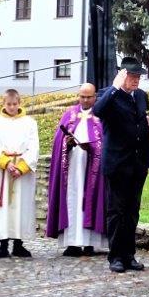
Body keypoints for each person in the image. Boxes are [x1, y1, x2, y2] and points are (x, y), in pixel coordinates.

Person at [93, 58, 149, 274]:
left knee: (132, 211)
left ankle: (129, 255)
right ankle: (116, 256)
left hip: (137, 163)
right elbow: (98, 111)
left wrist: (147, 159)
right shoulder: (108, 95)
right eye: (132, 76)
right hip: (117, 163)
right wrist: (114, 87)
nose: (136, 80)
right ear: (122, 76)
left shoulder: (142, 96)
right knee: (116, 211)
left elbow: (145, 127)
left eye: (138, 77)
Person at [45, 82, 109, 256]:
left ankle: (90, 243)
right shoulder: (69, 115)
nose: (85, 100)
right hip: (72, 169)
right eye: (82, 96)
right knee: (72, 201)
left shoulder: (101, 116)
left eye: (89, 97)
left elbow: (107, 141)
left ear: (95, 97)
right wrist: (67, 144)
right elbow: (58, 142)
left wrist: (92, 148)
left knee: (91, 202)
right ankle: (72, 243)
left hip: (94, 171)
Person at [0, 88, 40, 259]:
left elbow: (34, 146)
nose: (11, 107)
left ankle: (18, 244)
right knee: (3, 206)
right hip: (3, 171)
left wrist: (22, 167)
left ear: (19, 103)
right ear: (3, 103)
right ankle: (3, 244)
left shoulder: (29, 123)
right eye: (8, 104)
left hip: (22, 170)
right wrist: (6, 163)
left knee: (21, 206)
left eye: (14, 104)